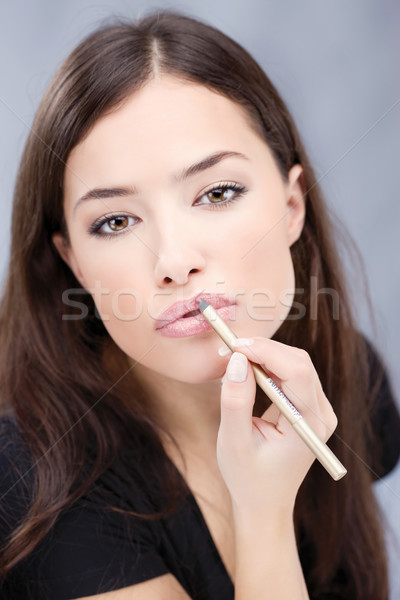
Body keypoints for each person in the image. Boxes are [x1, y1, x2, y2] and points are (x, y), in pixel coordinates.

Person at [0, 9, 399, 600]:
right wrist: (263, 517)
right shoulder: (35, 478)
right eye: (115, 221)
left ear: (292, 206)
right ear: (73, 261)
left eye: (217, 192)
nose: (173, 259)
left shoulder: (347, 379)